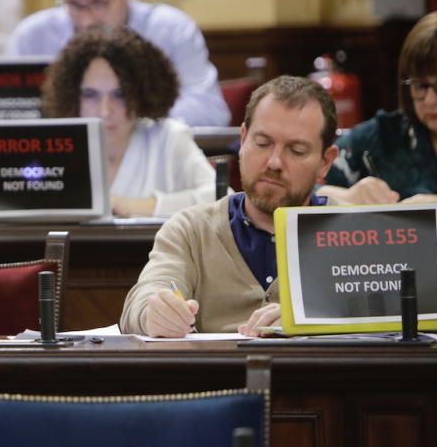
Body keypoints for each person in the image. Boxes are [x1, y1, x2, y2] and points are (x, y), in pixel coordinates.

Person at [120, 76, 339, 337]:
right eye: (262, 143)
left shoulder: (354, 232)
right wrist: (154, 313)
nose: (274, 162)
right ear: (244, 138)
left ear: (326, 161)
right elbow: (144, 298)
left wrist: (310, 319)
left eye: (297, 150)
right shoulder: (191, 230)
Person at [6, 0, 229, 127]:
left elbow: (209, 110)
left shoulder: (171, 30)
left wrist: (127, 122)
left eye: (99, 2)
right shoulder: (32, 36)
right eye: (73, 3)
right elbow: (6, 115)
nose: (86, 20)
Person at [320, 9, 437, 211]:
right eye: (420, 85)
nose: (431, 99)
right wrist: (347, 196)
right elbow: (300, 187)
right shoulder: (380, 138)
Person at [43, 26, 214, 217]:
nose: (105, 110)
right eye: (91, 95)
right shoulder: (57, 146)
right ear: (73, 97)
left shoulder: (168, 138)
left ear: (141, 94)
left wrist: (139, 206)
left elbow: (222, 200)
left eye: (120, 95)